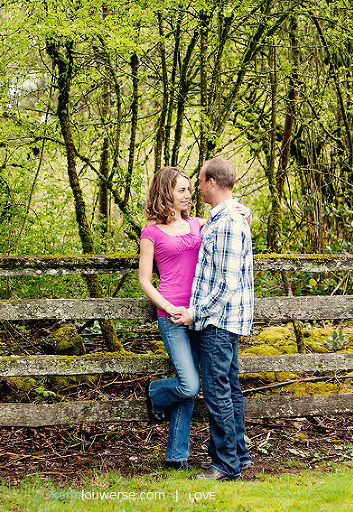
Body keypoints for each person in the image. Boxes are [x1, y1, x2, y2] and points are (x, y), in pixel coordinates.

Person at [172, 157, 254, 481]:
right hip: (223, 321)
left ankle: (225, 465)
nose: (197, 189)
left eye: (200, 182)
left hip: (218, 322)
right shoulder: (223, 219)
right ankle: (239, 456)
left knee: (219, 393)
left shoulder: (228, 223)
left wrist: (195, 313)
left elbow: (227, 283)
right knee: (229, 389)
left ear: (213, 183)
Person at [139, 166, 202, 471]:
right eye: (182, 190)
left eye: (189, 189)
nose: (188, 195)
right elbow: (145, 280)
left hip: (199, 315)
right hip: (171, 317)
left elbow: (231, 220)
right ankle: (155, 391)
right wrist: (169, 307)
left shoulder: (198, 224)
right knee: (189, 385)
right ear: (166, 192)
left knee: (188, 387)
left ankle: (176, 457)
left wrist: (245, 213)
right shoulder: (150, 232)